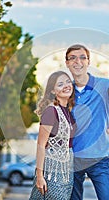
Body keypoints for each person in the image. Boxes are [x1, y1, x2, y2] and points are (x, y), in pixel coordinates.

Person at [65, 44, 109, 200]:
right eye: (72, 58)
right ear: (67, 63)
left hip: (99, 157)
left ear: (88, 62)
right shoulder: (66, 91)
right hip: (73, 159)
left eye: (82, 57)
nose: (77, 61)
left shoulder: (104, 85)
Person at [29, 71, 76, 200]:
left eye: (67, 82)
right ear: (53, 91)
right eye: (60, 84)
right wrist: (39, 176)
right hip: (52, 172)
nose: (66, 85)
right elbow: (41, 145)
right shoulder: (51, 111)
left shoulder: (67, 111)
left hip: (66, 172)